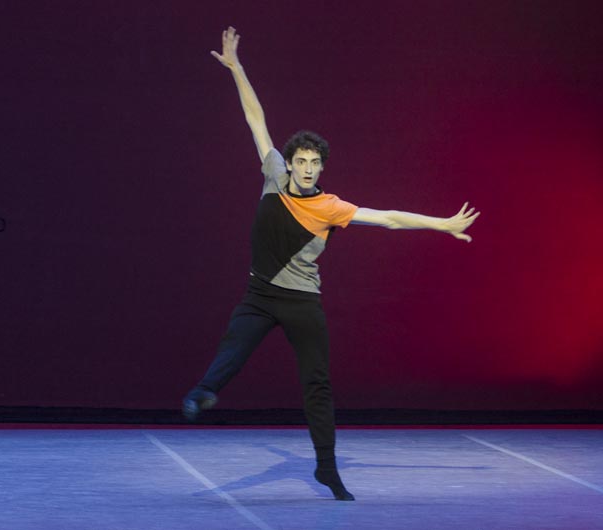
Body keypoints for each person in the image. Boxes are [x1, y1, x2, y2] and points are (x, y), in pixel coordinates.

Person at [183, 27, 480, 501]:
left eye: (314, 162)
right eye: (301, 160)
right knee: (232, 348)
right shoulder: (273, 174)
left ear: (321, 167)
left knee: (317, 384)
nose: (306, 168)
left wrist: (441, 224)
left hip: (302, 301)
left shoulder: (330, 206)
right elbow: (256, 119)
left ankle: (326, 468)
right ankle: (203, 393)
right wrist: (237, 68)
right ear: (290, 162)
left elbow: (388, 218)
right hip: (260, 294)